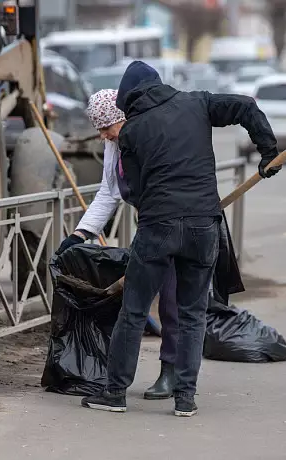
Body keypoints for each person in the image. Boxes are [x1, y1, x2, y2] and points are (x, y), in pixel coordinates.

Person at [80, 61, 280, 417]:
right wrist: (267, 152)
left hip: (158, 226)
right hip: (205, 226)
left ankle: (114, 394)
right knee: (193, 314)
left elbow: (137, 190)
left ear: (129, 99)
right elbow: (247, 106)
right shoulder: (198, 102)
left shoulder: (132, 131)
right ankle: (185, 398)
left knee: (134, 310)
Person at [56, 88, 179, 400]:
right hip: (149, 225)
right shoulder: (115, 143)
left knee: (172, 301)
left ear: (122, 119)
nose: (102, 136)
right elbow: (109, 191)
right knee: (134, 304)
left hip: (176, 223)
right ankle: (117, 385)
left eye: (105, 128)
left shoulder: (151, 136)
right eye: (98, 130)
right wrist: (80, 234)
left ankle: (171, 373)